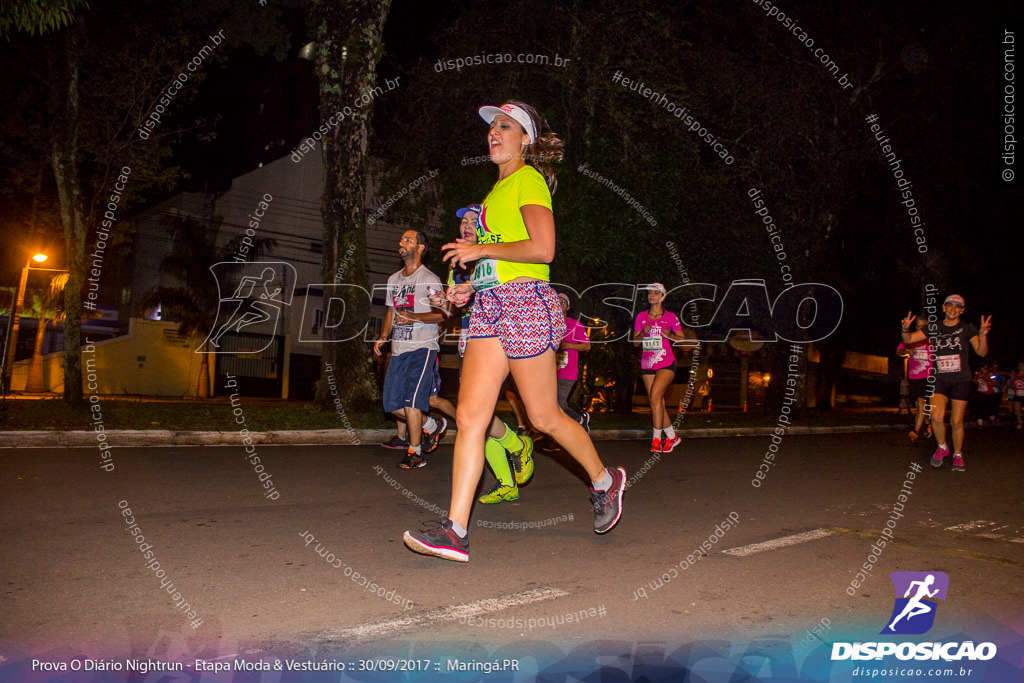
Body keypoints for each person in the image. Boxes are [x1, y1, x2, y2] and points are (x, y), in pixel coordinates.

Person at [403, 100, 626, 562]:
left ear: (525, 139)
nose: (494, 132)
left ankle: (606, 482)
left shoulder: (529, 181)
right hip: (488, 306)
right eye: (490, 127)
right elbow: (497, 259)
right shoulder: (492, 193)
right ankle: (455, 530)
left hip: (525, 301)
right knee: (469, 417)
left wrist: (482, 251)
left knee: (542, 418)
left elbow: (543, 249)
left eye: (505, 126)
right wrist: (470, 286)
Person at [431, 204, 536, 504]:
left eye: (472, 221)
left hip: (500, 337)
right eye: (462, 221)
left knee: (479, 414)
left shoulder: (493, 253)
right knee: (472, 416)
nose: (466, 225)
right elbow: (456, 306)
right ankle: (506, 481)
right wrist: (445, 300)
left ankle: (516, 446)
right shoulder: (457, 263)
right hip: (470, 338)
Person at [373, 229, 448, 469]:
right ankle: (431, 426)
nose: (401, 242)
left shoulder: (429, 279)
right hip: (399, 349)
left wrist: (414, 317)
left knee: (412, 401)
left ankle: (415, 452)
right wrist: (384, 336)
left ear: (420, 247)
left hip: (422, 347)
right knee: (392, 404)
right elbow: (390, 311)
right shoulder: (393, 280)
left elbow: (442, 315)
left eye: (408, 240)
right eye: (401, 239)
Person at [901, 294, 991, 472]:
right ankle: (942, 447)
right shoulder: (934, 327)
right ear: (943, 307)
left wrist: (982, 335)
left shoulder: (967, 328)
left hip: (960, 379)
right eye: (950, 305)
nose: (953, 309)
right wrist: (905, 329)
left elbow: (981, 353)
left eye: (957, 306)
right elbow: (909, 340)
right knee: (936, 417)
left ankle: (957, 454)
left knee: (956, 421)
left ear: (962, 310)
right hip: (939, 379)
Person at [633, 283, 691, 453]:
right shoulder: (641, 317)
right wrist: (643, 333)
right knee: (656, 402)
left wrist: (669, 335)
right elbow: (636, 342)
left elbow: (681, 338)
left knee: (655, 395)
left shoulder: (670, 317)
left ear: (662, 296)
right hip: (647, 363)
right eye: (650, 293)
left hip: (666, 363)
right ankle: (672, 437)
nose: (652, 295)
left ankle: (656, 440)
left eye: (656, 293)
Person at [555, 292, 591, 433]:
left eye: (563, 302)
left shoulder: (574, 325)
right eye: (557, 301)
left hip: (567, 372)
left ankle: (579, 420)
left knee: (557, 403)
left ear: (568, 307)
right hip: (549, 372)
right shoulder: (549, 327)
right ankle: (564, 431)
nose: (559, 303)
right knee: (548, 405)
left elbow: (587, 346)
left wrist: (568, 346)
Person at [896, 315, 932, 444]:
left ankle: (916, 432)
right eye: (918, 326)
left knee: (922, 404)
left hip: (929, 377)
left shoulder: (932, 339)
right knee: (919, 405)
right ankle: (927, 424)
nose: (920, 329)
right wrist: (907, 352)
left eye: (924, 327)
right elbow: (899, 351)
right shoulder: (911, 338)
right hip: (914, 376)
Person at [1009, 362, 1024, 429]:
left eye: (1022, 365)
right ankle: (1019, 422)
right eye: (1019, 366)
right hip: (1017, 394)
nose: (1020, 367)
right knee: (1017, 408)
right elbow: (1011, 385)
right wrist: (1013, 385)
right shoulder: (1015, 375)